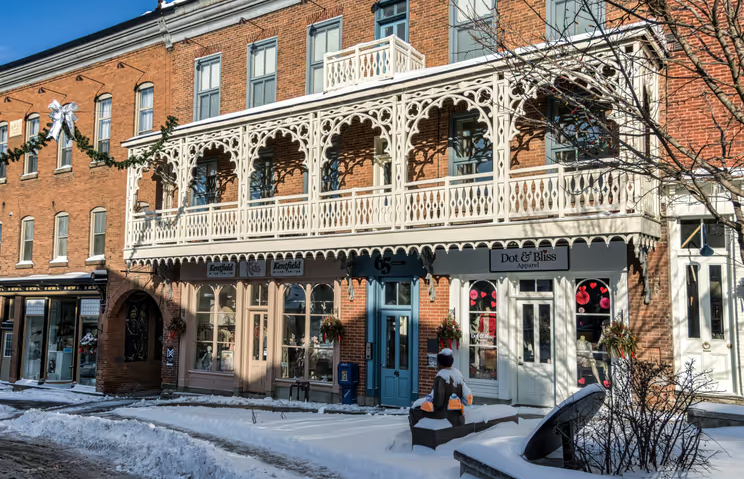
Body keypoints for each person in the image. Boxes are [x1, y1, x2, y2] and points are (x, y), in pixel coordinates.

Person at [409, 348, 473, 428]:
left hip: (443, 414)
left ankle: (421, 432)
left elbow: (438, 403)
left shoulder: (441, 376)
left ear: (440, 363)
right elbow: (466, 396)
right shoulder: (458, 374)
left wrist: (428, 403)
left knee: (414, 410)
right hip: (457, 414)